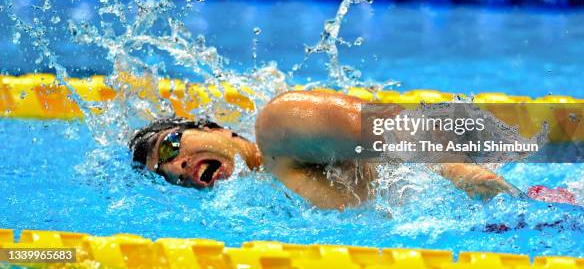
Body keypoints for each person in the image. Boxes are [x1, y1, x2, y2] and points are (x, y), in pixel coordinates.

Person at [128, 90, 532, 209]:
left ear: (212, 127)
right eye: (167, 174)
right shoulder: (266, 195)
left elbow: (394, 126)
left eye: (170, 148)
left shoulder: (277, 128)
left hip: (495, 203)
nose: (177, 167)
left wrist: (461, 175)